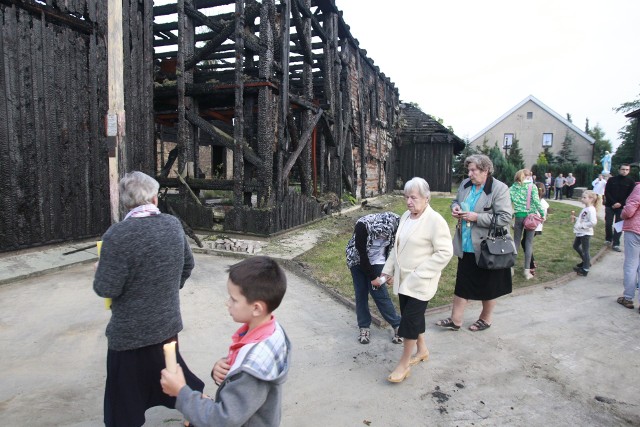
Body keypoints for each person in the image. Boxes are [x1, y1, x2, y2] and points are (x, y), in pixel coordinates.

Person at [93, 171, 204, 427]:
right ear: (154, 198)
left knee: (124, 401)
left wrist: (101, 270)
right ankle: (197, 410)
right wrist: (165, 290)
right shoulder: (173, 226)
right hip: (166, 326)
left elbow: (106, 288)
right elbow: (188, 265)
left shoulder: (116, 236)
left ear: (126, 203)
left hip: (129, 335)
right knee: (171, 371)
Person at [161, 256, 291, 426]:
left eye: (234, 299)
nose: (227, 303)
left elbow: (223, 419)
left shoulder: (253, 371)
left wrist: (181, 392)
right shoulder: (268, 332)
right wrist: (223, 369)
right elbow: (241, 372)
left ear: (256, 308)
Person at [380, 177, 453, 383]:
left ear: (426, 198)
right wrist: (387, 271)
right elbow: (396, 247)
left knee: (409, 322)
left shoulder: (435, 221)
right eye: (406, 197)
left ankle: (403, 364)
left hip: (421, 281)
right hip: (404, 281)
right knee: (411, 316)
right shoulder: (405, 216)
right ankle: (422, 350)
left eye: (413, 197)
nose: (409, 202)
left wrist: (420, 273)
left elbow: (445, 252)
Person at [436, 154, 514, 334]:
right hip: (466, 244)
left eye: (473, 170)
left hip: (488, 247)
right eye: (468, 170)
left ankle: (486, 319)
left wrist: (477, 217)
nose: (469, 174)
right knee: (462, 282)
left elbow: (505, 217)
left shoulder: (499, 188)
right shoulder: (465, 185)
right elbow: (457, 201)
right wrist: (455, 208)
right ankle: (455, 320)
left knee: (489, 285)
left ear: (485, 170)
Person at [346, 212, 403, 344]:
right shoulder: (362, 226)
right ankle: (364, 327)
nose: (381, 238)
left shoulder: (396, 224)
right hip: (357, 260)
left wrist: (389, 271)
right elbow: (362, 255)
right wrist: (373, 278)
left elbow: (393, 249)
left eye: (384, 236)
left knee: (380, 295)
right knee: (361, 293)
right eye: (378, 236)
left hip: (378, 259)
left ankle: (398, 325)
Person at [510, 169, 545, 279]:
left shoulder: (513, 188)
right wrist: (543, 214)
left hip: (519, 216)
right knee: (528, 243)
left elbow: (508, 202)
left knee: (515, 242)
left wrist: (511, 216)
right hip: (531, 217)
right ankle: (526, 271)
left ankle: (511, 268)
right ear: (528, 176)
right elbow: (536, 201)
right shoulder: (532, 186)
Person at [618, 179, 640, 310]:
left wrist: (623, 214)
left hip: (635, 230)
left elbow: (629, 210)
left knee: (631, 264)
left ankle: (628, 297)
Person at [604, 164, 635, 252]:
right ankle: (608, 239)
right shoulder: (611, 180)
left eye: (627, 169)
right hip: (610, 205)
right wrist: (614, 203)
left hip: (622, 207)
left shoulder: (631, 181)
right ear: (619, 170)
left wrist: (620, 204)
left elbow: (630, 195)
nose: (624, 171)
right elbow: (607, 192)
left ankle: (616, 243)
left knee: (619, 225)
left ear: (629, 171)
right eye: (623, 169)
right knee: (608, 223)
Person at [571, 190, 599, 276]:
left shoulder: (591, 209)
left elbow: (593, 222)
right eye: (582, 197)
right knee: (575, 246)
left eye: (584, 197)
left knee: (585, 251)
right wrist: (576, 218)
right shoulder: (586, 208)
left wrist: (582, 226)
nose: (582, 199)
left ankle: (585, 269)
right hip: (580, 232)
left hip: (585, 233)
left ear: (591, 199)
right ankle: (586, 261)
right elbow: (583, 219)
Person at [524, 183, 549, 276]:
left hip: (532, 226)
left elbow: (539, 216)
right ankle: (531, 263)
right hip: (533, 226)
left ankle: (531, 264)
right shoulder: (540, 202)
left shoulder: (538, 203)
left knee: (526, 243)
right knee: (525, 243)